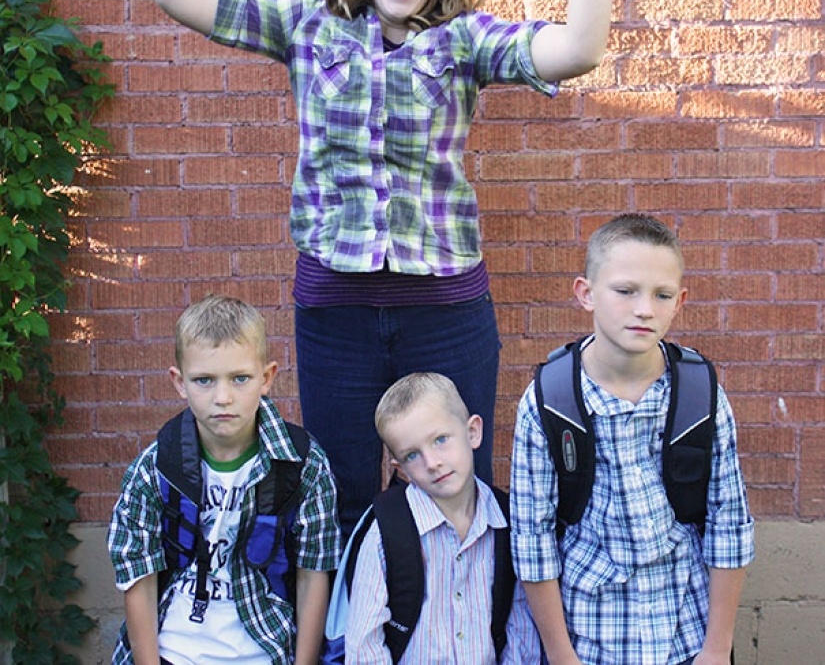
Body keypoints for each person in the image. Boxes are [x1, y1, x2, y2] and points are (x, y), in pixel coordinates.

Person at [149, 0, 612, 534]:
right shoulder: (306, 25)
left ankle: (454, 636)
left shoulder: (466, 41)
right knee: (338, 491)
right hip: (336, 313)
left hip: (446, 313)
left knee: (459, 493)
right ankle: (349, 637)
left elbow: (576, 49)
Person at [510, 214, 755, 665]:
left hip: (686, 635)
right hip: (589, 640)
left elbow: (729, 524)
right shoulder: (550, 401)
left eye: (661, 295)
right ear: (586, 293)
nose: (645, 309)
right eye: (626, 291)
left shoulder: (699, 395)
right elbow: (532, 541)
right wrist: (562, 656)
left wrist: (718, 648)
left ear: (679, 300)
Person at [107, 295, 341, 665]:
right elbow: (139, 577)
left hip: (264, 648)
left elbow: (314, 573)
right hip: (174, 651)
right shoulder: (155, 467)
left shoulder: (303, 464)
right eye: (204, 380)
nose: (222, 397)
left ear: (267, 378)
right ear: (179, 382)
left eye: (240, 378)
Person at [344, 372, 542, 663]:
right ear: (401, 470)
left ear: (473, 432)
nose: (432, 463)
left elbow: (521, 630)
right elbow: (365, 647)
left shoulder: (507, 523)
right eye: (413, 455)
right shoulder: (386, 533)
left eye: (440, 440)